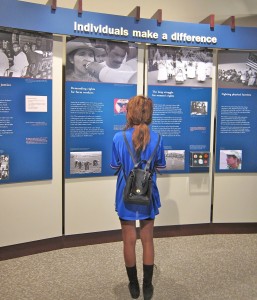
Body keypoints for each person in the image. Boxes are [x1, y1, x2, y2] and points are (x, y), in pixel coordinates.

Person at [110, 95, 166, 300]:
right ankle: (148, 286)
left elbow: (114, 166)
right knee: (148, 240)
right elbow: (160, 166)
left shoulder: (118, 138)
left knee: (128, 241)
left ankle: (133, 286)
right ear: (149, 114)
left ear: (129, 112)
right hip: (148, 193)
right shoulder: (158, 138)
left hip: (125, 194)